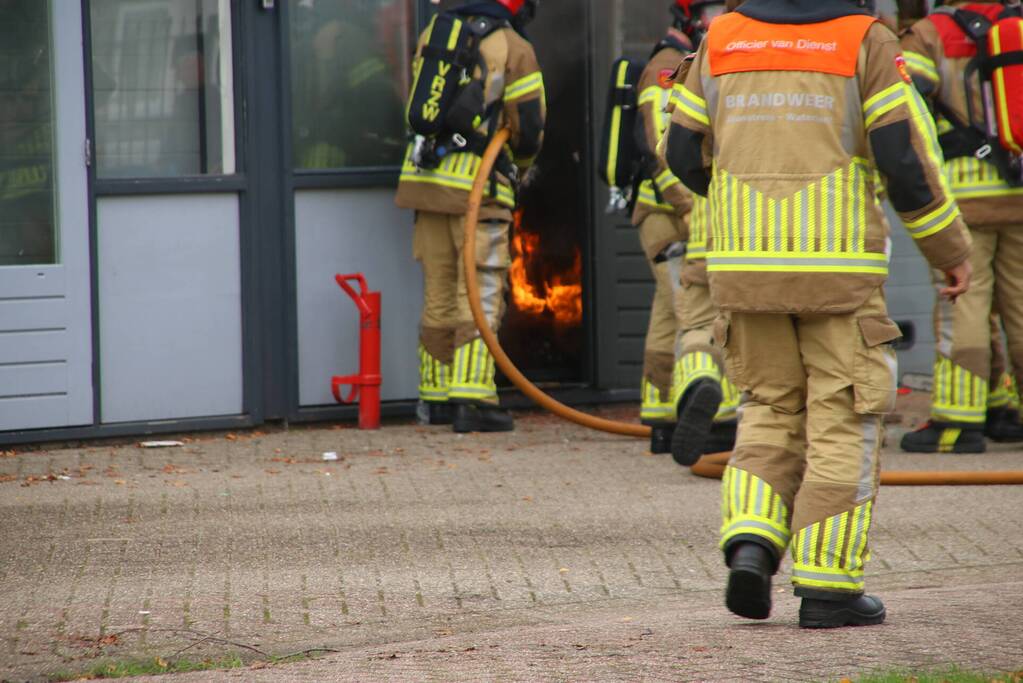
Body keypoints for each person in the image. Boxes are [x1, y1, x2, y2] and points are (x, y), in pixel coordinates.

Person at [665, 0, 972, 627]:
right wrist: (950, 253)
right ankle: (827, 588)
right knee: (842, 416)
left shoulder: (722, 37)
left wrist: (739, 204)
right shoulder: (867, 41)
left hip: (744, 270)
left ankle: (752, 546)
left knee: (769, 409)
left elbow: (679, 150)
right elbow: (904, 164)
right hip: (838, 275)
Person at [395, 0, 545, 433]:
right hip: (479, 191)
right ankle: (472, 398)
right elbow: (530, 125)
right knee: (478, 293)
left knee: (439, 290)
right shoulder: (513, 46)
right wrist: (520, 167)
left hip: (425, 185)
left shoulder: (435, 33)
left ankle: (436, 397)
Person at [899, 0, 1023, 453]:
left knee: (964, 304)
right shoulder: (1017, 25)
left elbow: (903, 104)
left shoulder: (930, 33)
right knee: (1019, 305)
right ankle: (1006, 409)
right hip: (1019, 187)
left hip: (964, 195)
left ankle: (957, 421)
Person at [630, 2, 701, 453]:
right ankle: (691, 411)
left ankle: (661, 415)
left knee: (667, 308)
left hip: (669, 212)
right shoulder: (666, 64)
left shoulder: (692, 59)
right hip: (666, 213)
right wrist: (692, 205)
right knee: (689, 305)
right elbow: (661, 145)